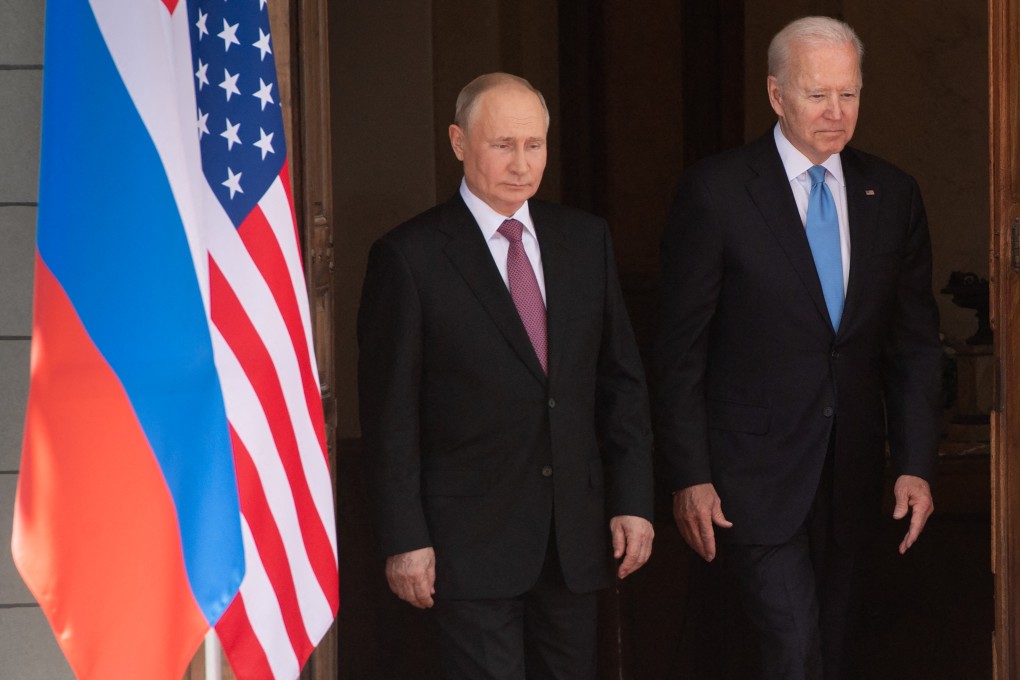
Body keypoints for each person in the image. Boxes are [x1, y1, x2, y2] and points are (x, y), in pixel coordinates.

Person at [654, 16, 943, 680]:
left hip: (853, 478)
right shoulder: (717, 192)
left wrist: (915, 463)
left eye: (849, 93)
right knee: (793, 647)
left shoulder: (892, 193)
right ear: (776, 94)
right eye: (818, 94)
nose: (836, 112)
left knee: (833, 653)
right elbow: (679, 351)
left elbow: (913, 346)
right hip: (750, 480)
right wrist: (690, 475)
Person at [358, 72, 655, 680]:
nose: (522, 164)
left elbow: (620, 384)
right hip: (466, 544)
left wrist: (633, 501)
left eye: (534, 145)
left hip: (574, 541)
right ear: (458, 142)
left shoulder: (585, 240)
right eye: (502, 145)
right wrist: (404, 537)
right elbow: (391, 415)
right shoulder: (409, 257)